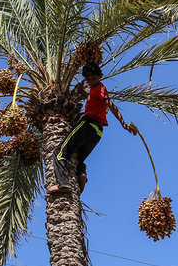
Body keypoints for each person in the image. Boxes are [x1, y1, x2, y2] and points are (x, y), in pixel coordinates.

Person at [48, 62, 137, 194]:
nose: (90, 82)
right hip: (98, 132)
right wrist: (81, 92)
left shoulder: (101, 89)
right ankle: (81, 174)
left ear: (100, 75)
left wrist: (123, 124)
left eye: (93, 78)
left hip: (87, 124)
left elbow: (111, 106)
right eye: (88, 80)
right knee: (78, 158)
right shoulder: (95, 91)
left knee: (60, 152)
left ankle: (63, 184)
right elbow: (91, 98)